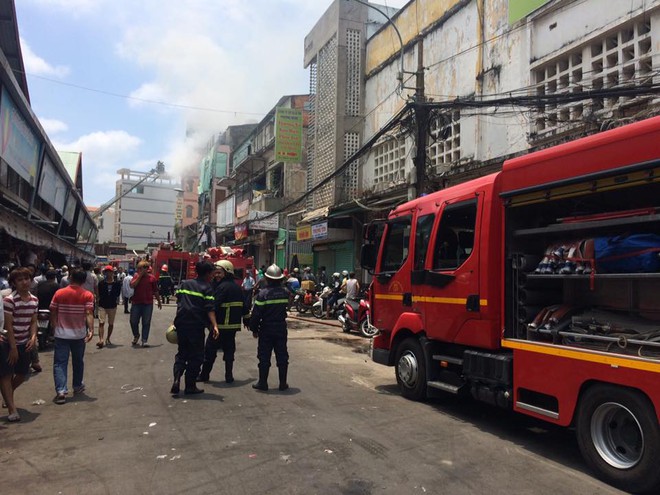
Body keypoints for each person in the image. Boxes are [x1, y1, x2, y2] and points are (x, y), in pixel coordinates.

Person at [171, 261, 217, 396]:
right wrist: (214, 325)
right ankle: (190, 386)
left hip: (181, 323)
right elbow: (210, 309)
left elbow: (179, 301)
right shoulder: (207, 288)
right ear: (208, 273)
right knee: (196, 356)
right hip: (196, 325)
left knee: (182, 353)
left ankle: (176, 378)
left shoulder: (185, 284)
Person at [49, 268, 94, 405]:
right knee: (78, 361)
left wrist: (54, 325)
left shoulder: (59, 293)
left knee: (60, 363)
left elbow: (53, 310)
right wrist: (91, 329)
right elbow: (88, 313)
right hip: (79, 335)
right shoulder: (87, 295)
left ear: (70, 277)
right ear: (84, 280)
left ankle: (61, 391)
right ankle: (77, 386)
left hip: (61, 334)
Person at [198, 260, 248, 384]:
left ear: (227, 272)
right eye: (215, 273)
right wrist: (247, 321)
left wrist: (206, 321)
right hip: (232, 327)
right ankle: (229, 376)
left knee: (210, 351)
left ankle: (204, 375)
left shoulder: (221, 287)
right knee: (229, 351)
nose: (216, 275)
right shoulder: (236, 287)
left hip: (219, 326)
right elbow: (245, 306)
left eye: (219, 273)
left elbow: (213, 306)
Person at [0, 268, 39, 422]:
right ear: (14, 283)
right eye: (20, 280)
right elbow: (8, 325)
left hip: (25, 342)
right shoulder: (9, 300)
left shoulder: (34, 300)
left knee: (22, 374)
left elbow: (33, 321)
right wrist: (13, 347)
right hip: (7, 343)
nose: (24, 282)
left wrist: (33, 337)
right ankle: (12, 408)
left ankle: (7, 394)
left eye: (26, 278)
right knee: (6, 375)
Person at [250, 264, 290, 391]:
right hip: (281, 327)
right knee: (282, 355)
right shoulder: (285, 293)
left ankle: (263, 383)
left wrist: (254, 329)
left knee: (264, 356)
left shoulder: (263, 294)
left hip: (266, 328)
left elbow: (256, 314)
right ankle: (282, 383)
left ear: (267, 279)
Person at [129, 261, 162, 347]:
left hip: (148, 304)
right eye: (138, 268)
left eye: (141, 268)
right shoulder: (136, 276)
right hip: (136, 303)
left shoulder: (152, 278)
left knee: (146, 322)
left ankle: (144, 340)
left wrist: (159, 301)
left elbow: (155, 291)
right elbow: (132, 285)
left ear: (146, 269)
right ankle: (136, 335)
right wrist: (140, 276)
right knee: (133, 321)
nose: (139, 270)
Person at [97, 266, 122, 347]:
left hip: (112, 305)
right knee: (101, 322)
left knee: (111, 324)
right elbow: (99, 293)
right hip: (102, 305)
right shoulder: (101, 283)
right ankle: (101, 340)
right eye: (106, 271)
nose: (108, 273)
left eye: (110, 271)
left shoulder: (117, 283)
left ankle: (108, 338)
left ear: (112, 272)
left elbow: (118, 294)